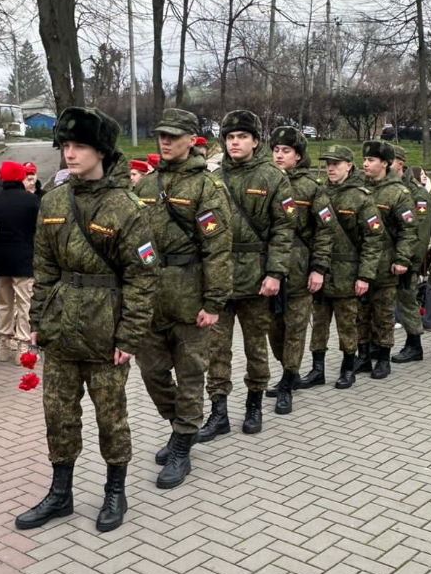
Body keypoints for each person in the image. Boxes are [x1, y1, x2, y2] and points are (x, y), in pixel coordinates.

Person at [15, 106, 157, 532]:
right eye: (66, 146)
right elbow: (44, 267)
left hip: (105, 330)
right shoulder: (54, 200)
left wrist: (129, 336)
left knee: (111, 417)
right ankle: (60, 493)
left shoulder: (127, 207)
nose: (70, 154)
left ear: (101, 151)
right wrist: (37, 320)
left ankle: (116, 491)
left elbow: (142, 278)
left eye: (79, 146)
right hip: (60, 328)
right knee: (58, 415)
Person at [134, 108, 232, 489]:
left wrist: (214, 301)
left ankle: (182, 448)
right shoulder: (145, 186)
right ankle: (181, 427)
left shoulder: (207, 187)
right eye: (162, 135)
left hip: (191, 295)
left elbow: (218, 249)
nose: (165, 141)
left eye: (173, 136)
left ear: (192, 140)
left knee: (190, 373)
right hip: (151, 295)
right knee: (151, 371)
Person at [199, 110, 294, 439]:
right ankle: (219, 412)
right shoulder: (213, 178)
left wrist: (275, 273)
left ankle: (254, 404)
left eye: (242, 136)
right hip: (219, 277)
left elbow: (284, 230)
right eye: (230, 137)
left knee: (256, 347)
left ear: (255, 141)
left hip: (257, 278)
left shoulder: (272, 177)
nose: (235, 142)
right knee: (216, 349)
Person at [299, 146, 383, 389]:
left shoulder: (361, 197)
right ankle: (317, 369)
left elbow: (373, 239)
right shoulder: (320, 192)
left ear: (349, 165)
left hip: (348, 272)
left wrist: (365, 275)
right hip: (321, 270)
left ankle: (348, 368)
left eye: (336, 164)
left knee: (347, 324)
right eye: (328, 164)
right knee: (319, 323)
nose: (331, 168)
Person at [265, 126, 332, 414]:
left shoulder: (311, 188)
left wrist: (318, 269)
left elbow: (325, 231)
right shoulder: (265, 181)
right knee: (274, 330)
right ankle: (287, 371)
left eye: (286, 151)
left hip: (300, 270)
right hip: (269, 269)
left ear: (299, 156)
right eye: (276, 150)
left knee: (295, 329)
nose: (279, 155)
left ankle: (287, 383)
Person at [355, 141, 417, 380]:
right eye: (365, 159)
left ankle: (383, 358)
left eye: (371, 160)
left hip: (385, 263)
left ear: (385, 163)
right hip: (360, 261)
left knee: (383, 314)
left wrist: (402, 259)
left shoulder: (398, 193)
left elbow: (408, 230)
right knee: (361, 313)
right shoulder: (359, 187)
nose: (365, 164)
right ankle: (363, 355)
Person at [0, 160, 40, 364]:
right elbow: (38, 230)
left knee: (3, 303)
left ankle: (3, 343)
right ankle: (22, 346)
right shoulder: (31, 200)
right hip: (24, 258)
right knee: (25, 303)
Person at [391, 147, 431, 363]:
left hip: (406, 260)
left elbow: (420, 233)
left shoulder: (417, 194)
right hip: (386, 257)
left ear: (400, 164)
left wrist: (410, 262)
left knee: (407, 301)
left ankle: (414, 344)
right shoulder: (387, 188)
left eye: (388, 161)